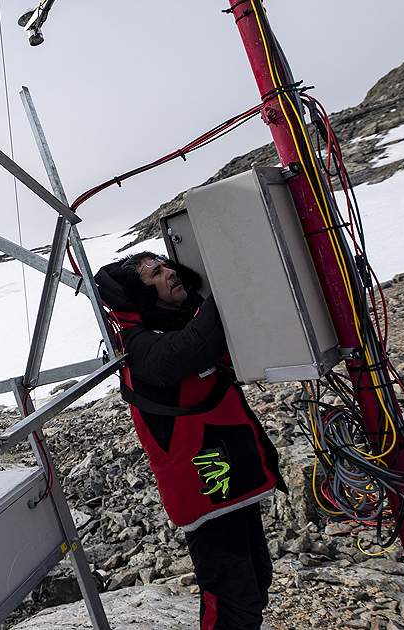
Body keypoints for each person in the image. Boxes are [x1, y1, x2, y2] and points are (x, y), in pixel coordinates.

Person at [95, 252, 285, 630]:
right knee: (231, 596)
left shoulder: (179, 322)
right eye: (157, 274)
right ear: (138, 294)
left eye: (169, 267)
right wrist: (226, 267)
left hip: (232, 476)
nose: (172, 274)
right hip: (205, 487)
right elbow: (191, 347)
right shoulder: (139, 345)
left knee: (256, 579)